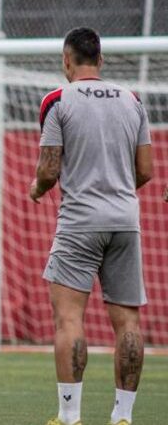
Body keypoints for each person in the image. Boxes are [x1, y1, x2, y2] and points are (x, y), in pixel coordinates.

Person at [30, 27, 152, 425]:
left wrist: (36, 189)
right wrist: (115, 190)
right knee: (128, 322)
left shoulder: (58, 100)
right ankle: (123, 417)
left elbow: (49, 169)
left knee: (69, 319)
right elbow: (146, 171)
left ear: (66, 60)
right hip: (125, 221)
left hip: (80, 221)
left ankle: (69, 417)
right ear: (101, 60)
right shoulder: (132, 100)